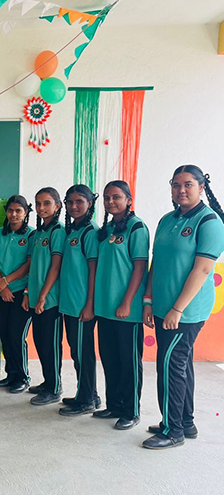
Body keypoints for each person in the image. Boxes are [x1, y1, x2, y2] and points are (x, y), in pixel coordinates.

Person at [142, 166, 224, 449]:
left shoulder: (209, 222)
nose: (181, 190)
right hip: (163, 306)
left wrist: (177, 309)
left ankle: (172, 430)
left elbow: (202, 270)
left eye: (188, 184)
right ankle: (184, 422)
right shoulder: (167, 220)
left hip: (185, 311)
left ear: (201, 187)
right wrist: (149, 300)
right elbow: (156, 262)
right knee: (180, 364)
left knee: (169, 366)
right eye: (176, 185)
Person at [93, 180, 149, 430]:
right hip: (105, 308)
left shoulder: (137, 228)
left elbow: (140, 267)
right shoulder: (107, 230)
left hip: (127, 311)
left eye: (116, 197)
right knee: (110, 359)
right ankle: (114, 405)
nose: (110, 202)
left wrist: (127, 302)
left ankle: (131, 410)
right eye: (107, 198)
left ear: (128, 200)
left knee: (129, 362)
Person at [58, 185, 101, 416]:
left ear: (90, 203)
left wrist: (89, 304)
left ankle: (86, 401)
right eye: (70, 202)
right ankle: (89, 394)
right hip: (70, 303)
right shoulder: (73, 230)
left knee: (84, 354)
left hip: (82, 305)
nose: (74, 206)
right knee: (77, 352)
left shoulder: (90, 231)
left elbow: (94, 269)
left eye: (79, 202)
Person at [27, 187, 66, 406]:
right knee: (40, 342)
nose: (42, 208)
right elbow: (33, 267)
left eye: (47, 203)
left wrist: (43, 296)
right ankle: (47, 381)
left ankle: (54, 387)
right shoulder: (38, 233)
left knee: (51, 345)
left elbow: (55, 267)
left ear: (57, 206)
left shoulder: (57, 231)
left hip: (49, 300)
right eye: (38, 203)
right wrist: (28, 293)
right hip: (35, 298)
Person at [0, 195, 33, 393]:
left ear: (25, 213)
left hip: (20, 293)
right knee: (5, 335)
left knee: (16, 335)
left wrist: (6, 282)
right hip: (2, 292)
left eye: (18, 211)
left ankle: (23, 377)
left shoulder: (31, 235)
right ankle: (11, 375)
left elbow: (28, 265)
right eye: (10, 210)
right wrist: (2, 286)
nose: (13, 214)